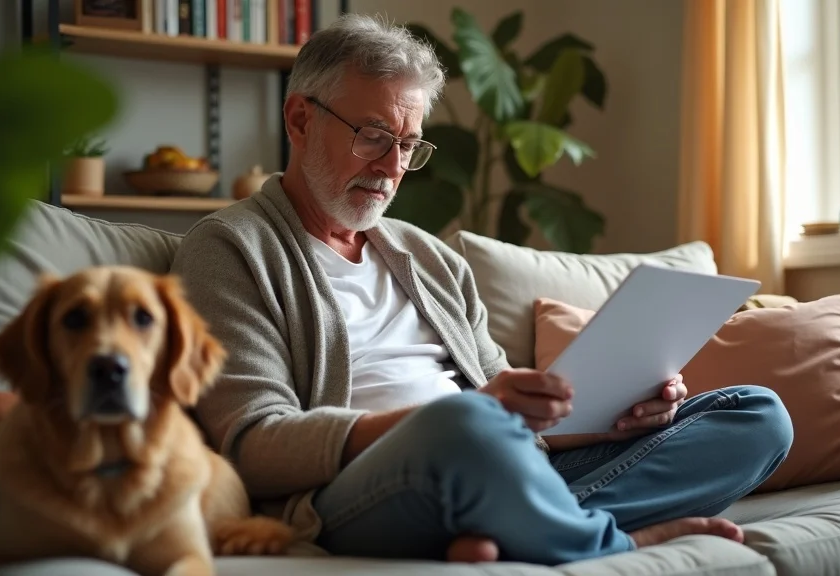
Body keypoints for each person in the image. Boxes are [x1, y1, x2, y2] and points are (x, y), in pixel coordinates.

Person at [167, 13, 794, 566]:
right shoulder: (229, 249)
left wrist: (614, 420)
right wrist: (457, 418)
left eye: (408, 145)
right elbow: (254, 443)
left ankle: (514, 522)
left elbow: (518, 420)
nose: (391, 169)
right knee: (466, 425)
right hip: (353, 492)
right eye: (373, 135)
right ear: (301, 118)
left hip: (493, 461)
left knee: (757, 415)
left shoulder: (431, 258)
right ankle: (607, 541)